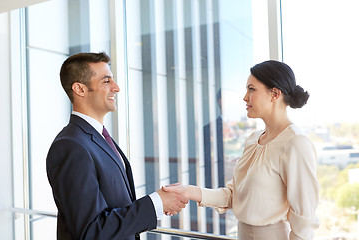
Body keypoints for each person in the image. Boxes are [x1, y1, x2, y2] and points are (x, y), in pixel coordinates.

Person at [163, 60, 320, 240]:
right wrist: (188, 191)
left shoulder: (296, 143)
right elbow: (233, 195)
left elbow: (304, 218)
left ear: (275, 94)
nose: (245, 97)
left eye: (251, 89)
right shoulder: (253, 139)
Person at [46, 52, 188, 240]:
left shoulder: (97, 137)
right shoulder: (70, 146)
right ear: (79, 89)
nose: (117, 88)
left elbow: (115, 205)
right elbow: (91, 231)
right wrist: (156, 204)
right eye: (106, 81)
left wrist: (160, 204)